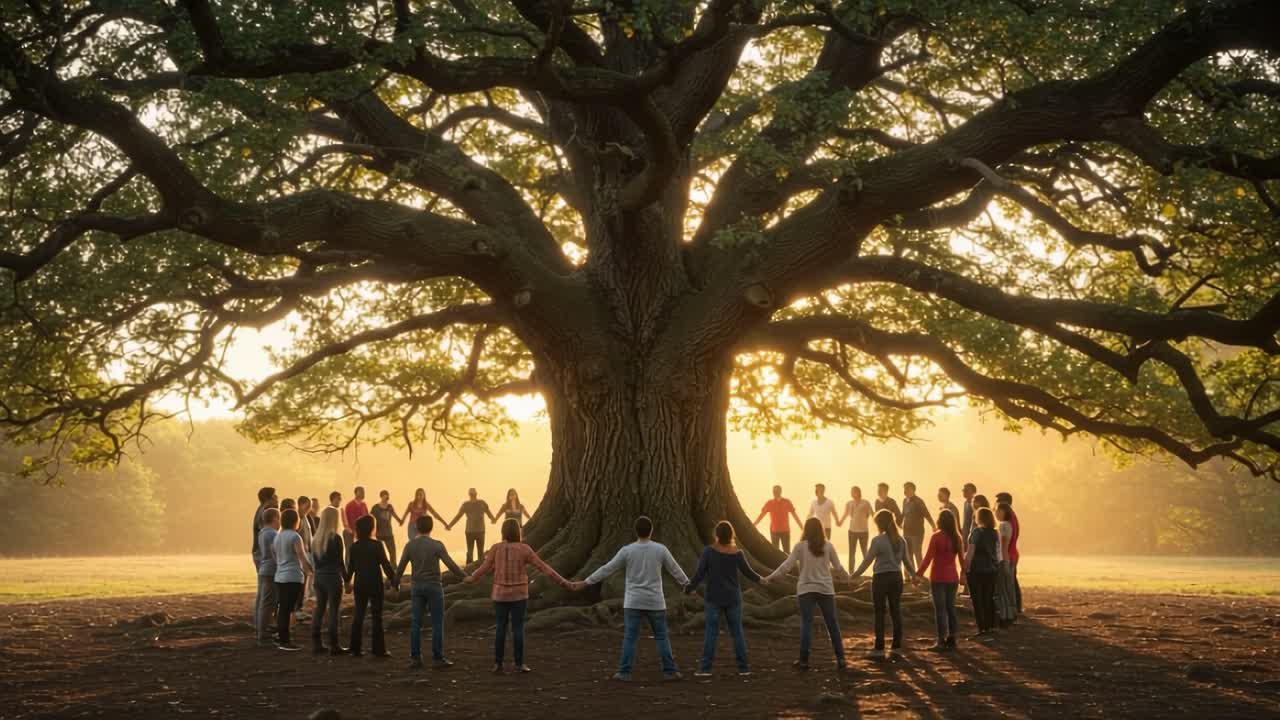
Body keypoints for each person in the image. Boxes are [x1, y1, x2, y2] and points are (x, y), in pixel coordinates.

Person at [575, 516, 690, 682]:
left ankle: (624, 672)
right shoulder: (660, 549)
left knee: (630, 638)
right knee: (661, 637)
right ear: (651, 531)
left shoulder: (627, 551)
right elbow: (675, 569)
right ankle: (670, 671)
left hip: (633, 602)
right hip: (655, 601)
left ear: (635, 531)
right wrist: (688, 584)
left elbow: (607, 568)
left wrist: (586, 582)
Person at [466, 518, 573, 673]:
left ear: (503, 532)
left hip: (500, 595)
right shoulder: (525, 549)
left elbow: (484, 568)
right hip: (519, 596)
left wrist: (471, 578)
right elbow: (544, 568)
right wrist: (563, 582)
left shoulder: (496, 549)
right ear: (518, 531)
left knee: (500, 629)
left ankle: (498, 664)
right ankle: (519, 664)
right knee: (517, 629)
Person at [763, 517, 850, 672]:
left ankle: (804, 660)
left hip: (806, 590)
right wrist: (850, 578)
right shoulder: (828, 546)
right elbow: (838, 568)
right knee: (832, 625)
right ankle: (841, 658)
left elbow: (786, 567)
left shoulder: (800, 547)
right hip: (826, 590)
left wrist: (769, 578)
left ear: (806, 530)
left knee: (806, 625)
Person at [683, 521, 762, 677]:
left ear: (716, 535)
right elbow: (749, 573)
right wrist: (763, 580)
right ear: (731, 535)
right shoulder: (737, 553)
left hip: (714, 598)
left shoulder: (708, 552)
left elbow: (699, 574)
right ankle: (744, 668)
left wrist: (689, 588)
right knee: (737, 633)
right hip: (733, 598)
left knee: (711, 633)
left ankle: (705, 669)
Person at [397, 516, 464, 669]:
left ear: (417, 528)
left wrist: (395, 583)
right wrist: (465, 578)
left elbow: (400, 568)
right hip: (434, 586)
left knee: (416, 622)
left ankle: (415, 658)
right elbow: (451, 565)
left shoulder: (410, 545)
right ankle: (437, 658)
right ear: (431, 528)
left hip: (417, 587)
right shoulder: (437, 545)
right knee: (437, 622)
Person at [851, 509, 917, 659]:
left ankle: (879, 646)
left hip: (881, 579)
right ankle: (897, 645)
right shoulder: (901, 540)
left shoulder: (877, 541)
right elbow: (907, 562)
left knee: (880, 612)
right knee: (895, 610)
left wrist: (854, 575)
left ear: (879, 524)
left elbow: (867, 561)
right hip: (896, 578)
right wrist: (914, 576)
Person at [344, 514, 397, 657]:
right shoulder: (377, 545)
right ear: (371, 528)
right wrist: (394, 580)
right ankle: (378, 650)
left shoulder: (354, 547)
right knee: (376, 616)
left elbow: (351, 567)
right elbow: (385, 564)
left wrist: (347, 581)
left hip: (360, 584)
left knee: (358, 615)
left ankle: (355, 649)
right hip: (375, 583)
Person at [916, 509, 963, 651]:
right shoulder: (957, 537)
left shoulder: (936, 537)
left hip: (937, 577)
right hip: (952, 577)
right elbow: (962, 559)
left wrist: (918, 574)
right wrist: (964, 575)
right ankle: (953, 638)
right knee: (951, 608)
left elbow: (928, 558)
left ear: (939, 521)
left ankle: (941, 639)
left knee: (940, 610)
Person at [273, 508, 314, 652]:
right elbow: (302, 557)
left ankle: (281, 636)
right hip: (293, 577)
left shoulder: (278, 536)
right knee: (288, 609)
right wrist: (311, 571)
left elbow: (275, 556)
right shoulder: (295, 537)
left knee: (282, 609)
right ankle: (285, 641)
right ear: (295, 521)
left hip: (279, 577)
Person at [311, 506, 347, 655]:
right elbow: (340, 562)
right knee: (333, 610)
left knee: (319, 609)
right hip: (333, 577)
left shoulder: (316, 539)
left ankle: (316, 644)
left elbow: (315, 562)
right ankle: (334, 645)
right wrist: (347, 579)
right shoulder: (336, 538)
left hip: (319, 577)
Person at [964, 506, 1000, 639]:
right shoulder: (994, 532)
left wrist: (965, 568)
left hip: (976, 570)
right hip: (991, 569)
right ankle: (991, 626)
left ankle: (982, 627)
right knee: (988, 598)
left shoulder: (977, 532)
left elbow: (971, 552)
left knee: (977, 600)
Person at [448, 488, 496, 564]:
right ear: (470, 495)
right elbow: (458, 516)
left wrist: (493, 519)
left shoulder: (481, 503)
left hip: (478, 531)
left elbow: (489, 514)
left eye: (473, 494)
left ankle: (475, 569)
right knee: (471, 552)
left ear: (475, 494)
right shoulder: (468, 504)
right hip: (472, 531)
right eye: (472, 494)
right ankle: (474, 569)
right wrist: (450, 525)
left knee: (477, 552)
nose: (473, 496)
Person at [255, 507, 281, 647]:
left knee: (265, 603)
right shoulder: (272, 533)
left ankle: (263, 632)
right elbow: (276, 552)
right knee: (267, 604)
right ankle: (263, 636)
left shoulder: (262, 532)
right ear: (275, 518)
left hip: (264, 570)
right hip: (271, 571)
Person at [753, 485, 802, 553]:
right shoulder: (769, 503)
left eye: (777, 491)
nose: (775, 493)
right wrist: (754, 525)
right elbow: (761, 515)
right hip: (774, 531)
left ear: (780, 492)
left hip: (785, 531)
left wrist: (802, 527)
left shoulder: (787, 502)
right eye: (774, 491)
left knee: (786, 551)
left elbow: (795, 515)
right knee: (775, 552)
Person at [995, 491, 1022, 613]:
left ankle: (1011, 611)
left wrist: (1003, 559)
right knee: (1011, 583)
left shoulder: (1006, 522)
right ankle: (1015, 608)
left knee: (1007, 585)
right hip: (1012, 553)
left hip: (1008, 555)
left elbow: (1005, 543)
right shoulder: (1012, 517)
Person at [901, 482, 935, 569]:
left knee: (917, 553)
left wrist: (933, 525)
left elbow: (926, 514)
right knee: (908, 554)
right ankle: (911, 575)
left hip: (917, 532)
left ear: (913, 490)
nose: (905, 491)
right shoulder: (904, 501)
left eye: (907, 489)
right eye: (904, 489)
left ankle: (920, 574)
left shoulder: (918, 501)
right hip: (906, 532)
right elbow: (902, 515)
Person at [839, 486, 874, 570]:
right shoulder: (849, 503)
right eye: (852, 492)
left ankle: (868, 571)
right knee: (851, 553)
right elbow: (845, 514)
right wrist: (840, 522)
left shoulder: (865, 503)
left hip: (863, 531)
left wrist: (880, 524)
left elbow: (872, 514)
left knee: (865, 552)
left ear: (859, 492)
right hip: (852, 531)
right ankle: (851, 573)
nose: (853, 493)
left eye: (854, 491)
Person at [370, 490, 403, 567]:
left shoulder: (389, 507)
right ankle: (376, 568)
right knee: (379, 553)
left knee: (392, 552)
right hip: (379, 533)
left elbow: (394, 515)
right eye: (384, 495)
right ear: (381, 496)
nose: (386, 497)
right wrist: (371, 530)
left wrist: (400, 521)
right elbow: (370, 517)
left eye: (387, 495)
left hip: (388, 533)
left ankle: (394, 568)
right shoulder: (375, 507)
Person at [295, 496, 315, 622]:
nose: (308, 508)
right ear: (300, 504)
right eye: (306, 505)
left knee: (305, 583)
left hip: (308, 552)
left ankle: (300, 608)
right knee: (301, 583)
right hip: (301, 554)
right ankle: (297, 610)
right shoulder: (298, 518)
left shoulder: (306, 517)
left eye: (309, 505)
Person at [342, 487, 369, 554]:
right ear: (356, 493)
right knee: (350, 552)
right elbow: (346, 520)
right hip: (350, 533)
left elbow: (367, 518)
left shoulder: (364, 505)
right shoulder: (349, 505)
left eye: (363, 491)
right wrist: (350, 530)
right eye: (361, 491)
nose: (363, 493)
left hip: (361, 534)